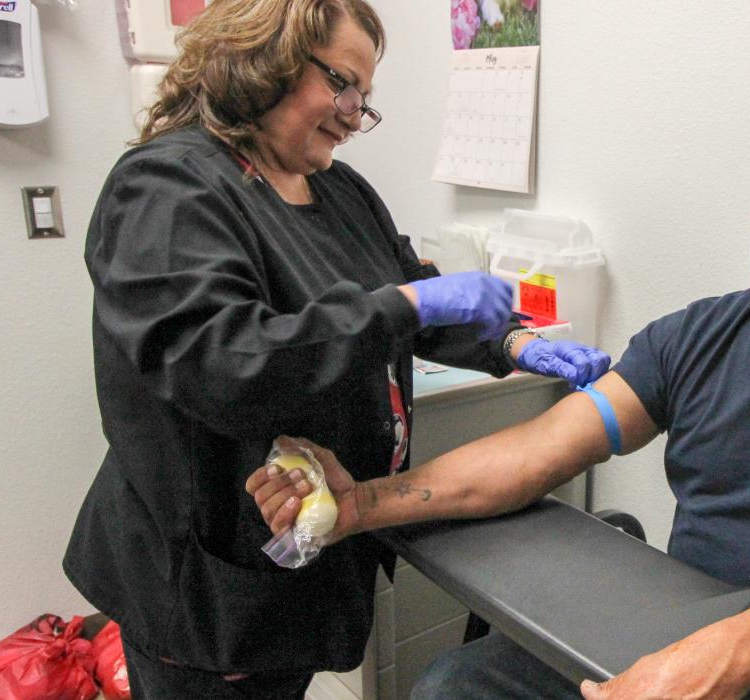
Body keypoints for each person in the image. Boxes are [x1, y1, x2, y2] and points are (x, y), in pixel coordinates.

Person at [248, 108, 750, 700]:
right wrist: (361, 504)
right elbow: (536, 451)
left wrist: (721, 658)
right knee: (455, 687)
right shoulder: (701, 334)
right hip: (679, 629)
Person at [61, 1, 609, 697]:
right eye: (341, 83)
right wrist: (405, 305)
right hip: (204, 576)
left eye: (366, 98)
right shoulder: (168, 187)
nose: (354, 112)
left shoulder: (339, 189)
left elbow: (410, 294)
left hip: (301, 547)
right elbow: (225, 362)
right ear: (265, 58)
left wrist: (513, 341)